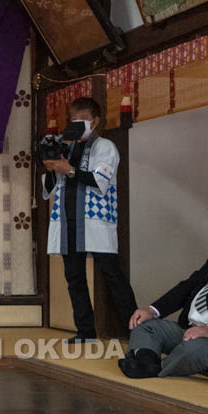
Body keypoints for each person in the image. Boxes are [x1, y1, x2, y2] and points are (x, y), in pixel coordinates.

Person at [43, 97, 137, 343]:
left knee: (112, 275)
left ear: (95, 121)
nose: (78, 124)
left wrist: (69, 169)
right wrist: (52, 167)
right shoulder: (68, 147)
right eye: (74, 120)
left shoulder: (105, 147)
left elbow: (100, 182)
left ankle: (137, 332)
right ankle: (85, 331)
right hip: (67, 220)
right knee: (74, 277)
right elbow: (50, 188)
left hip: (95, 220)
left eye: (83, 120)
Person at [120, 194, 208, 379]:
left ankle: (151, 366)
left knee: (196, 350)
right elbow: (190, 285)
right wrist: (153, 310)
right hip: (189, 328)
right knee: (145, 326)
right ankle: (146, 362)